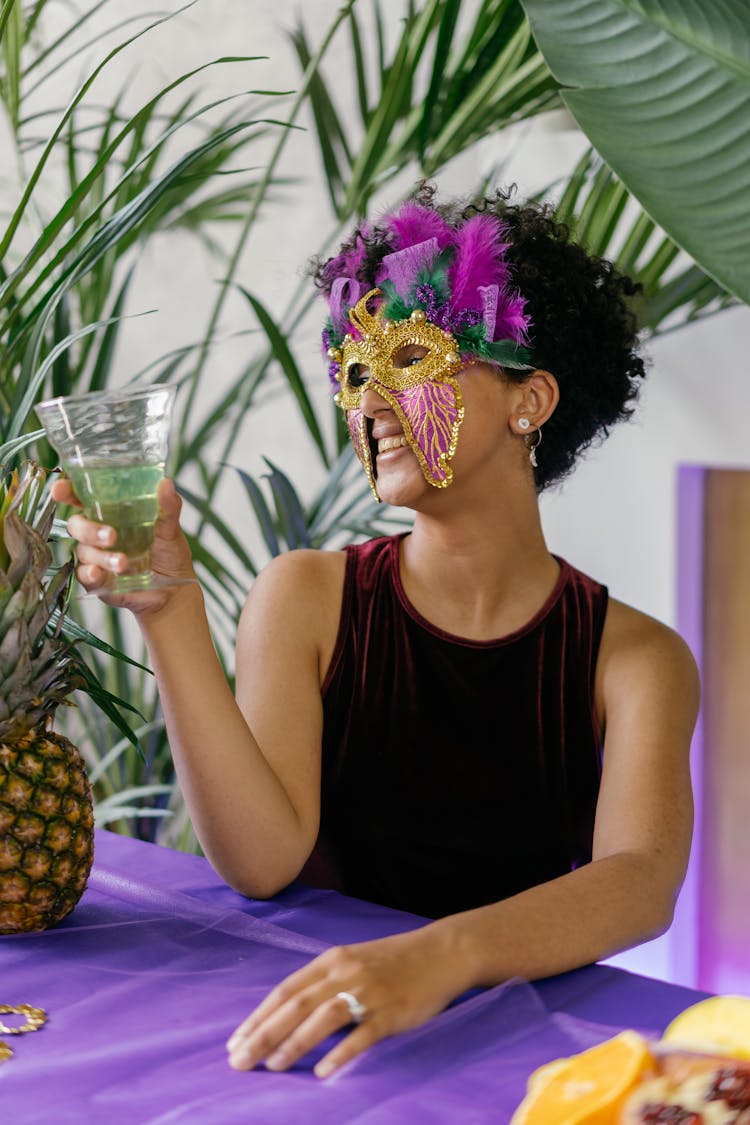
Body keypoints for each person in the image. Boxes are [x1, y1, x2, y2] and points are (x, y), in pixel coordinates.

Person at [53, 185, 699, 1080]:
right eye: (353, 372)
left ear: (532, 398)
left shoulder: (636, 658)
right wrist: (170, 612)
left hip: (521, 1061)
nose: (370, 402)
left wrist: (438, 956)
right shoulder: (307, 596)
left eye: (409, 357)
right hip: (318, 1039)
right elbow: (262, 860)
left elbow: (640, 883)